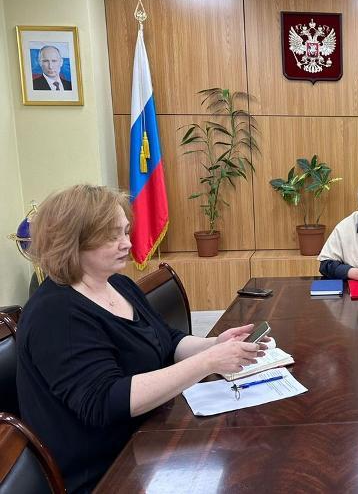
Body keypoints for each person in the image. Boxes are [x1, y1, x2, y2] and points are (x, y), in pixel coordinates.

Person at [17, 185, 268, 493]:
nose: (127, 243)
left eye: (125, 232)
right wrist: (208, 362)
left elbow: (167, 341)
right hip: (106, 472)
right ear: (72, 241)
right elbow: (105, 401)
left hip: (150, 437)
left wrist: (214, 345)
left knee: (247, 456)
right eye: (112, 236)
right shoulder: (56, 314)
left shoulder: (118, 284)